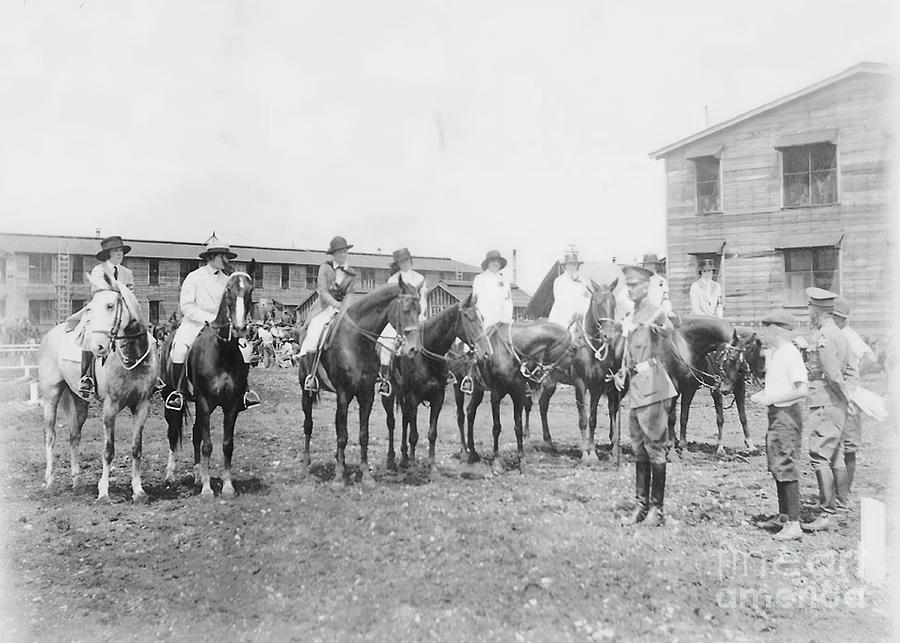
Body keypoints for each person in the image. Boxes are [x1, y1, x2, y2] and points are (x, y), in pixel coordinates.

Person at [613, 265, 678, 527]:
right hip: (636, 385)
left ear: (646, 287)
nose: (628, 289)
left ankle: (657, 509)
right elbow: (630, 350)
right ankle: (641, 505)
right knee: (639, 448)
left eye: (633, 285)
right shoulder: (633, 314)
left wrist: (661, 323)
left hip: (653, 386)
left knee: (655, 448)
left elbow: (668, 327)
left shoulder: (655, 311)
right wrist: (622, 373)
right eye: (627, 285)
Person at [165, 234, 258, 411]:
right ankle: (179, 393)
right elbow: (186, 306)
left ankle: (243, 392)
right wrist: (208, 319)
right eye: (221, 256)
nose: (225, 260)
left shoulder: (229, 281)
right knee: (179, 349)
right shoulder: (194, 277)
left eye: (227, 257)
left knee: (246, 350)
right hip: (194, 324)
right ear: (210, 257)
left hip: (221, 328)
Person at [801, 287, 857, 532]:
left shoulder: (824, 336)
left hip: (825, 401)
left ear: (818, 311)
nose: (809, 313)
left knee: (819, 455)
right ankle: (841, 504)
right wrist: (849, 396)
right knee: (836, 454)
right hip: (838, 404)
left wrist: (843, 392)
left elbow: (832, 372)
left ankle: (826, 512)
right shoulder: (841, 334)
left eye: (810, 309)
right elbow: (851, 370)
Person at [750, 310, 808, 541]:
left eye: (766, 328)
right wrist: (765, 394)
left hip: (786, 415)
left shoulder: (790, 353)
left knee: (786, 464)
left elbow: (801, 390)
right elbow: (779, 385)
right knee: (777, 464)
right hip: (777, 413)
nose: (763, 334)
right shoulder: (775, 353)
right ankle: (784, 517)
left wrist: (771, 399)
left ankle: (794, 524)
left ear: (776, 329)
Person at [78, 235, 135, 399]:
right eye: (116, 251)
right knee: (89, 334)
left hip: (121, 312)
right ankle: (87, 376)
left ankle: (149, 374)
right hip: (101, 310)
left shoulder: (127, 272)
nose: (120, 254)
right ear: (108, 253)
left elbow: (130, 294)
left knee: (146, 336)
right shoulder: (98, 270)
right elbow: (98, 292)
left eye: (121, 251)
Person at [298, 235, 358, 392]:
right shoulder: (324, 268)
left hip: (345, 309)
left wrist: (346, 307)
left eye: (344, 252)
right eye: (339, 252)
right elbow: (323, 292)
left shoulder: (351, 272)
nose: (343, 255)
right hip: (324, 308)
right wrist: (337, 305)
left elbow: (351, 294)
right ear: (333, 254)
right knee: (314, 333)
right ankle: (311, 376)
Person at [831, 297, 873, 496]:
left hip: (850, 396)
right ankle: (839, 492)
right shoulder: (838, 334)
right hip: (840, 395)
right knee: (836, 444)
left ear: (840, 318)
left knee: (848, 447)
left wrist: (854, 378)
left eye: (833, 316)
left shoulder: (848, 336)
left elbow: (870, 358)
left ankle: (843, 494)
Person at [376, 248, 428, 396]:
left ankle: (440, 374)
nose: (404, 264)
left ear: (411, 261)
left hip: (416, 317)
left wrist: (418, 315)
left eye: (406, 261)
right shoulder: (393, 280)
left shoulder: (420, 279)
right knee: (385, 345)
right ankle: (385, 379)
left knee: (432, 339)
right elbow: (390, 303)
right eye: (401, 262)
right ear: (398, 264)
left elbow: (423, 300)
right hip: (397, 320)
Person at [548, 247, 592, 331]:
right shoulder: (559, 281)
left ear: (577, 266)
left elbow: (587, 299)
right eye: (569, 265)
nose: (572, 267)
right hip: (561, 319)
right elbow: (560, 301)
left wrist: (581, 312)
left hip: (579, 319)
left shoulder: (582, 281)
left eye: (574, 265)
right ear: (565, 266)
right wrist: (572, 314)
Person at [472, 250, 513, 328]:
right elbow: (478, 302)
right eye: (493, 261)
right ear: (488, 264)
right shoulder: (480, 279)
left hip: (502, 322)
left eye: (498, 262)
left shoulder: (504, 280)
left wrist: (505, 319)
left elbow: (508, 302)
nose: (495, 264)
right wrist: (487, 321)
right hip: (485, 322)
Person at [641, 253, 673, 318]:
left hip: (658, 315)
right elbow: (623, 298)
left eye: (652, 264)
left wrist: (667, 310)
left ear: (655, 265)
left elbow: (665, 299)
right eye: (647, 264)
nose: (650, 267)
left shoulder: (662, 281)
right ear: (644, 266)